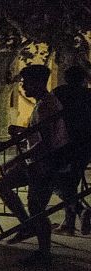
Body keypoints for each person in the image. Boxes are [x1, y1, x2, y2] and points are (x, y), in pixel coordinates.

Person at [0, 64, 70, 266]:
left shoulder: (46, 105)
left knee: (36, 207)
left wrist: (16, 159)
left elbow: (46, 142)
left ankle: (43, 252)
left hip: (45, 164)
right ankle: (28, 227)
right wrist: (21, 130)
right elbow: (41, 132)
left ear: (37, 82)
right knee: (5, 187)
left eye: (26, 82)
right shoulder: (43, 103)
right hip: (37, 162)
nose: (23, 86)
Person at [51, 66, 91, 236]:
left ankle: (79, 211)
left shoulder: (59, 92)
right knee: (70, 182)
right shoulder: (88, 95)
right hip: (85, 146)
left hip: (64, 145)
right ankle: (70, 222)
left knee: (55, 180)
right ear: (83, 79)